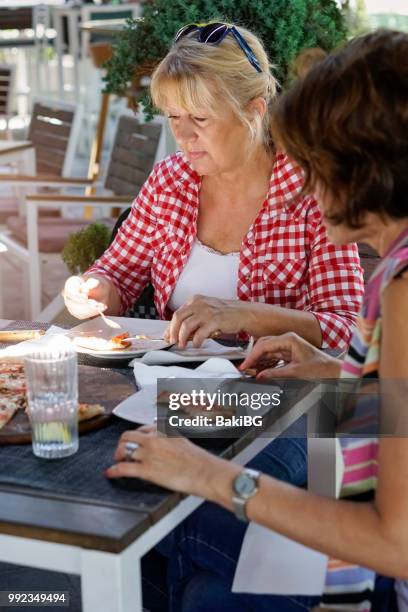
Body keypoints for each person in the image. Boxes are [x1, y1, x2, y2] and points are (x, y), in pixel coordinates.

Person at [106, 29, 408, 611]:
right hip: (246, 397)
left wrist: (209, 476)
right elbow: (399, 412)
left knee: (177, 526)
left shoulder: (403, 290)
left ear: (369, 167)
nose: (303, 192)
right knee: (197, 580)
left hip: (383, 574)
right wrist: (338, 375)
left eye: (317, 165)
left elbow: (395, 542)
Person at [63, 22, 363, 353]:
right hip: (169, 387)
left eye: (200, 119)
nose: (182, 134)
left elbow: (347, 328)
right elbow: (117, 274)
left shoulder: (312, 192)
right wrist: (95, 291)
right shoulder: (169, 181)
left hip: (279, 393)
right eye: (174, 117)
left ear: (254, 112)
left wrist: (244, 315)